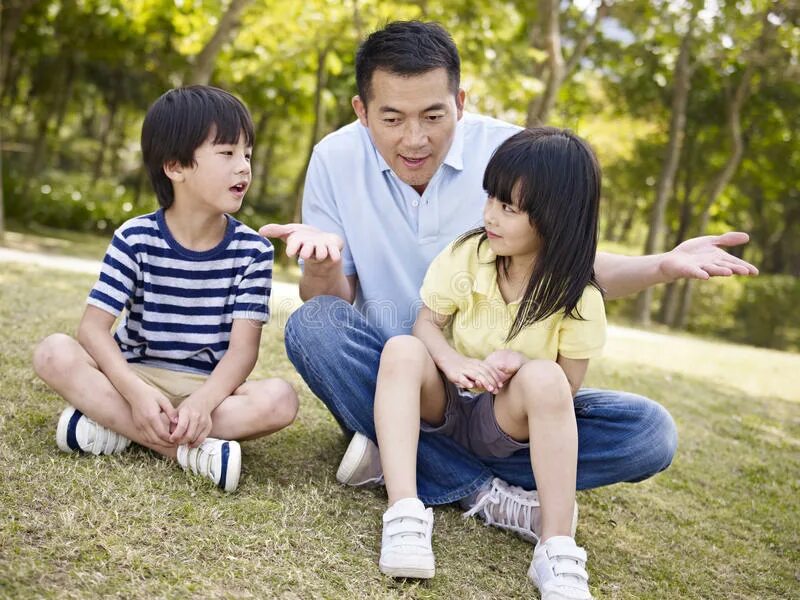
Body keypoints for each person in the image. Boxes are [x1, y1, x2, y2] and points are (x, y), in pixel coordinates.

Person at [261, 17, 756, 570]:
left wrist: (664, 265)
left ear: (461, 101)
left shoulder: (509, 154)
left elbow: (573, 266)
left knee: (649, 434)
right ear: (361, 110)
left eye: (433, 115)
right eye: (392, 118)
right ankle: (479, 490)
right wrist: (322, 262)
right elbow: (330, 296)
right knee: (314, 325)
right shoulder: (334, 158)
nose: (415, 138)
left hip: (506, 402)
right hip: (402, 379)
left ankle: (401, 461)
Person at [375, 128, 605, 599]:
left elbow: (564, 390)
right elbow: (426, 324)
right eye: (491, 199)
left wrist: (518, 364)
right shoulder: (471, 254)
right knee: (400, 348)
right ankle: (404, 511)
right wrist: (453, 361)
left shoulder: (579, 297)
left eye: (508, 208)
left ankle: (556, 548)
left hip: (502, 426)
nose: (489, 216)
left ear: (554, 217)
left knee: (560, 386)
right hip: (445, 404)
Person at [33, 85, 298, 493]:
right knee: (53, 351)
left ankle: (113, 427)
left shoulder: (254, 251)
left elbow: (243, 352)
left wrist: (204, 403)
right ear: (175, 166)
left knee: (281, 399)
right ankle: (183, 449)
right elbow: (92, 329)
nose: (244, 166)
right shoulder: (135, 237)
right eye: (227, 153)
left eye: (247, 153)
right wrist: (136, 393)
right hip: (133, 377)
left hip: (205, 389)